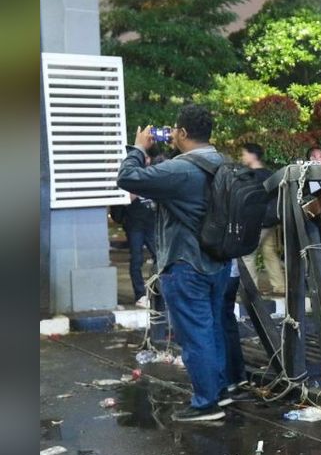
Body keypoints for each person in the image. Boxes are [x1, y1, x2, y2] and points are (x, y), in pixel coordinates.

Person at [116, 104, 245, 422]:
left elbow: (127, 177)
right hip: (217, 262)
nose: (171, 134)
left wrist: (138, 148)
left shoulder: (181, 168)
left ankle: (205, 403)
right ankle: (219, 391)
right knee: (212, 328)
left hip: (186, 263)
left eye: (174, 129)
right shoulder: (222, 163)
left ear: (184, 133)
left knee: (195, 334)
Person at [110, 150, 157, 309]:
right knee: (136, 259)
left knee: (160, 257)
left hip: (151, 223)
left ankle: (157, 291)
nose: (147, 161)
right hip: (135, 225)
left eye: (148, 158)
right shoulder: (130, 175)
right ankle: (140, 294)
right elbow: (124, 199)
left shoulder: (152, 174)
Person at [237, 143, 283, 295]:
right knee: (269, 252)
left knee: (247, 254)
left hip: (257, 220)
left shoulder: (251, 176)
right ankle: (280, 286)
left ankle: (251, 289)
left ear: (252, 155)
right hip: (271, 219)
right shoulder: (270, 174)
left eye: (244, 154)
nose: (242, 157)